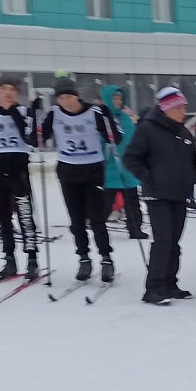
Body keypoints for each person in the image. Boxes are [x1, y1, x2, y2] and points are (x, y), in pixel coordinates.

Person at [123, 87, 196, 305]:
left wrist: (191, 178)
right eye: (179, 107)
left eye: (184, 107)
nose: (183, 111)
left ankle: (170, 284)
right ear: (166, 108)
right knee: (163, 241)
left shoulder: (183, 132)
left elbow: (190, 160)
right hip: (157, 195)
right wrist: (149, 178)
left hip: (179, 194)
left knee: (174, 242)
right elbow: (130, 158)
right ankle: (153, 288)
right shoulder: (147, 129)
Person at [40, 79, 120, 283]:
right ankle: (84, 258)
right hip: (68, 171)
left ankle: (106, 259)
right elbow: (37, 139)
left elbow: (115, 138)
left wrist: (108, 117)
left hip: (93, 170)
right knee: (76, 221)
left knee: (97, 219)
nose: (65, 102)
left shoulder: (94, 112)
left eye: (69, 97)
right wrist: (34, 116)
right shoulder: (54, 114)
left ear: (77, 96)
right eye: (61, 98)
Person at [0, 77, 40, 280]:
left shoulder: (24, 112)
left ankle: (32, 259)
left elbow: (30, 138)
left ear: (17, 94)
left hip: (17, 171)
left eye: (12, 89)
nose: (8, 92)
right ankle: (9, 259)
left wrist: (13, 111)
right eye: (4, 88)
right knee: (3, 220)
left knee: (25, 217)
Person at [101, 85, 146, 240]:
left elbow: (133, 139)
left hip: (126, 167)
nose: (118, 101)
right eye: (114, 98)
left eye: (120, 98)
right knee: (106, 202)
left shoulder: (126, 119)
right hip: (109, 167)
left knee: (132, 201)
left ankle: (135, 228)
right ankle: (98, 226)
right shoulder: (101, 118)